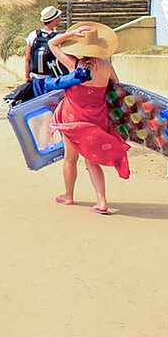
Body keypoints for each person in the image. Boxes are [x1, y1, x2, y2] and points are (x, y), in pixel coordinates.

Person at [48, 23, 129, 215]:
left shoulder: (75, 64)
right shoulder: (107, 66)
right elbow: (117, 88)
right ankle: (101, 201)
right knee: (92, 160)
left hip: (72, 117)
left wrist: (71, 33)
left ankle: (68, 196)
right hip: (96, 118)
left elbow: (52, 44)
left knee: (70, 158)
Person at [25, 6, 67, 97]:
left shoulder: (33, 35)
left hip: (36, 78)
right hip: (52, 79)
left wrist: (27, 76)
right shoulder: (58, 38)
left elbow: (27, 58)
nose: (59, 19)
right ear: (54, 20)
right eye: (58, 17)